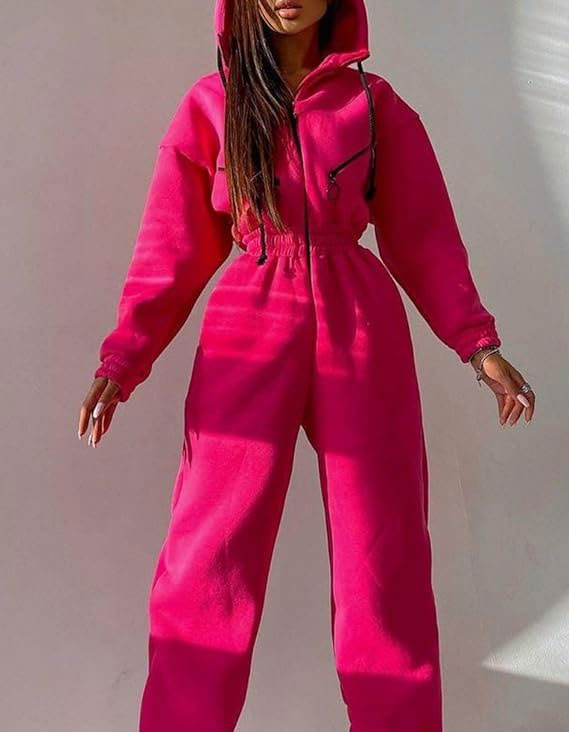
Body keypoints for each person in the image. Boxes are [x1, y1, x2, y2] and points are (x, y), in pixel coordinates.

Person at [77, 1, 536, 730]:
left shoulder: (374, 106)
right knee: (208, 556)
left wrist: (478, 344)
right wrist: (124, 356)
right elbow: (172, 246)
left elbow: (423, 235)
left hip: (362, 328)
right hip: (246, 325)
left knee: (383, 554)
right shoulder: (214, 104)